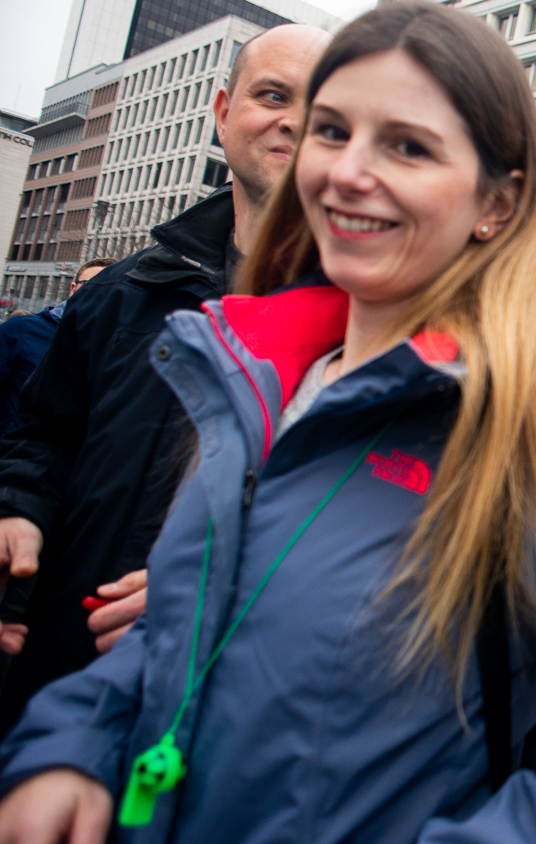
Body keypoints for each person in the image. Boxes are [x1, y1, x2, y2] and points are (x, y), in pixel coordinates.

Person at [0, 4, 536, 842]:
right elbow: (182, 631)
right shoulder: (250, 373)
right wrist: (73, 748)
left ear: (497, 202)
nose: (347, 171)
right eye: (332, 131)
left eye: (407, 146)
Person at [0, 23, 332, 735]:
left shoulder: (366, 328)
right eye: (273, 95)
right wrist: (17, 512)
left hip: (224, 718)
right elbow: (44, 438)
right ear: (222, 113)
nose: (294, 120)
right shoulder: (119, 295)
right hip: (59, 681)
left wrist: (220, 593)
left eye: (323, 108)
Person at [0, 258, 113, 435]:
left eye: (110, 287)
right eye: (90, 284)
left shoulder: (120, 347)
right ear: (73, 289)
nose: (99, 292)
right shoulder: (21, 330)